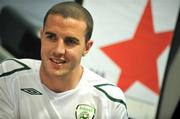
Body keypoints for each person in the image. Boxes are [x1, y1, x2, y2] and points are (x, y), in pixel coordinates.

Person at [0, 1, 128, 119]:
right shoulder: (9, 76)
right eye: (51, 37)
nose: (58, 50)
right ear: (41, 35)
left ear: (87, 47)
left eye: (70, 41)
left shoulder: (110, 101)